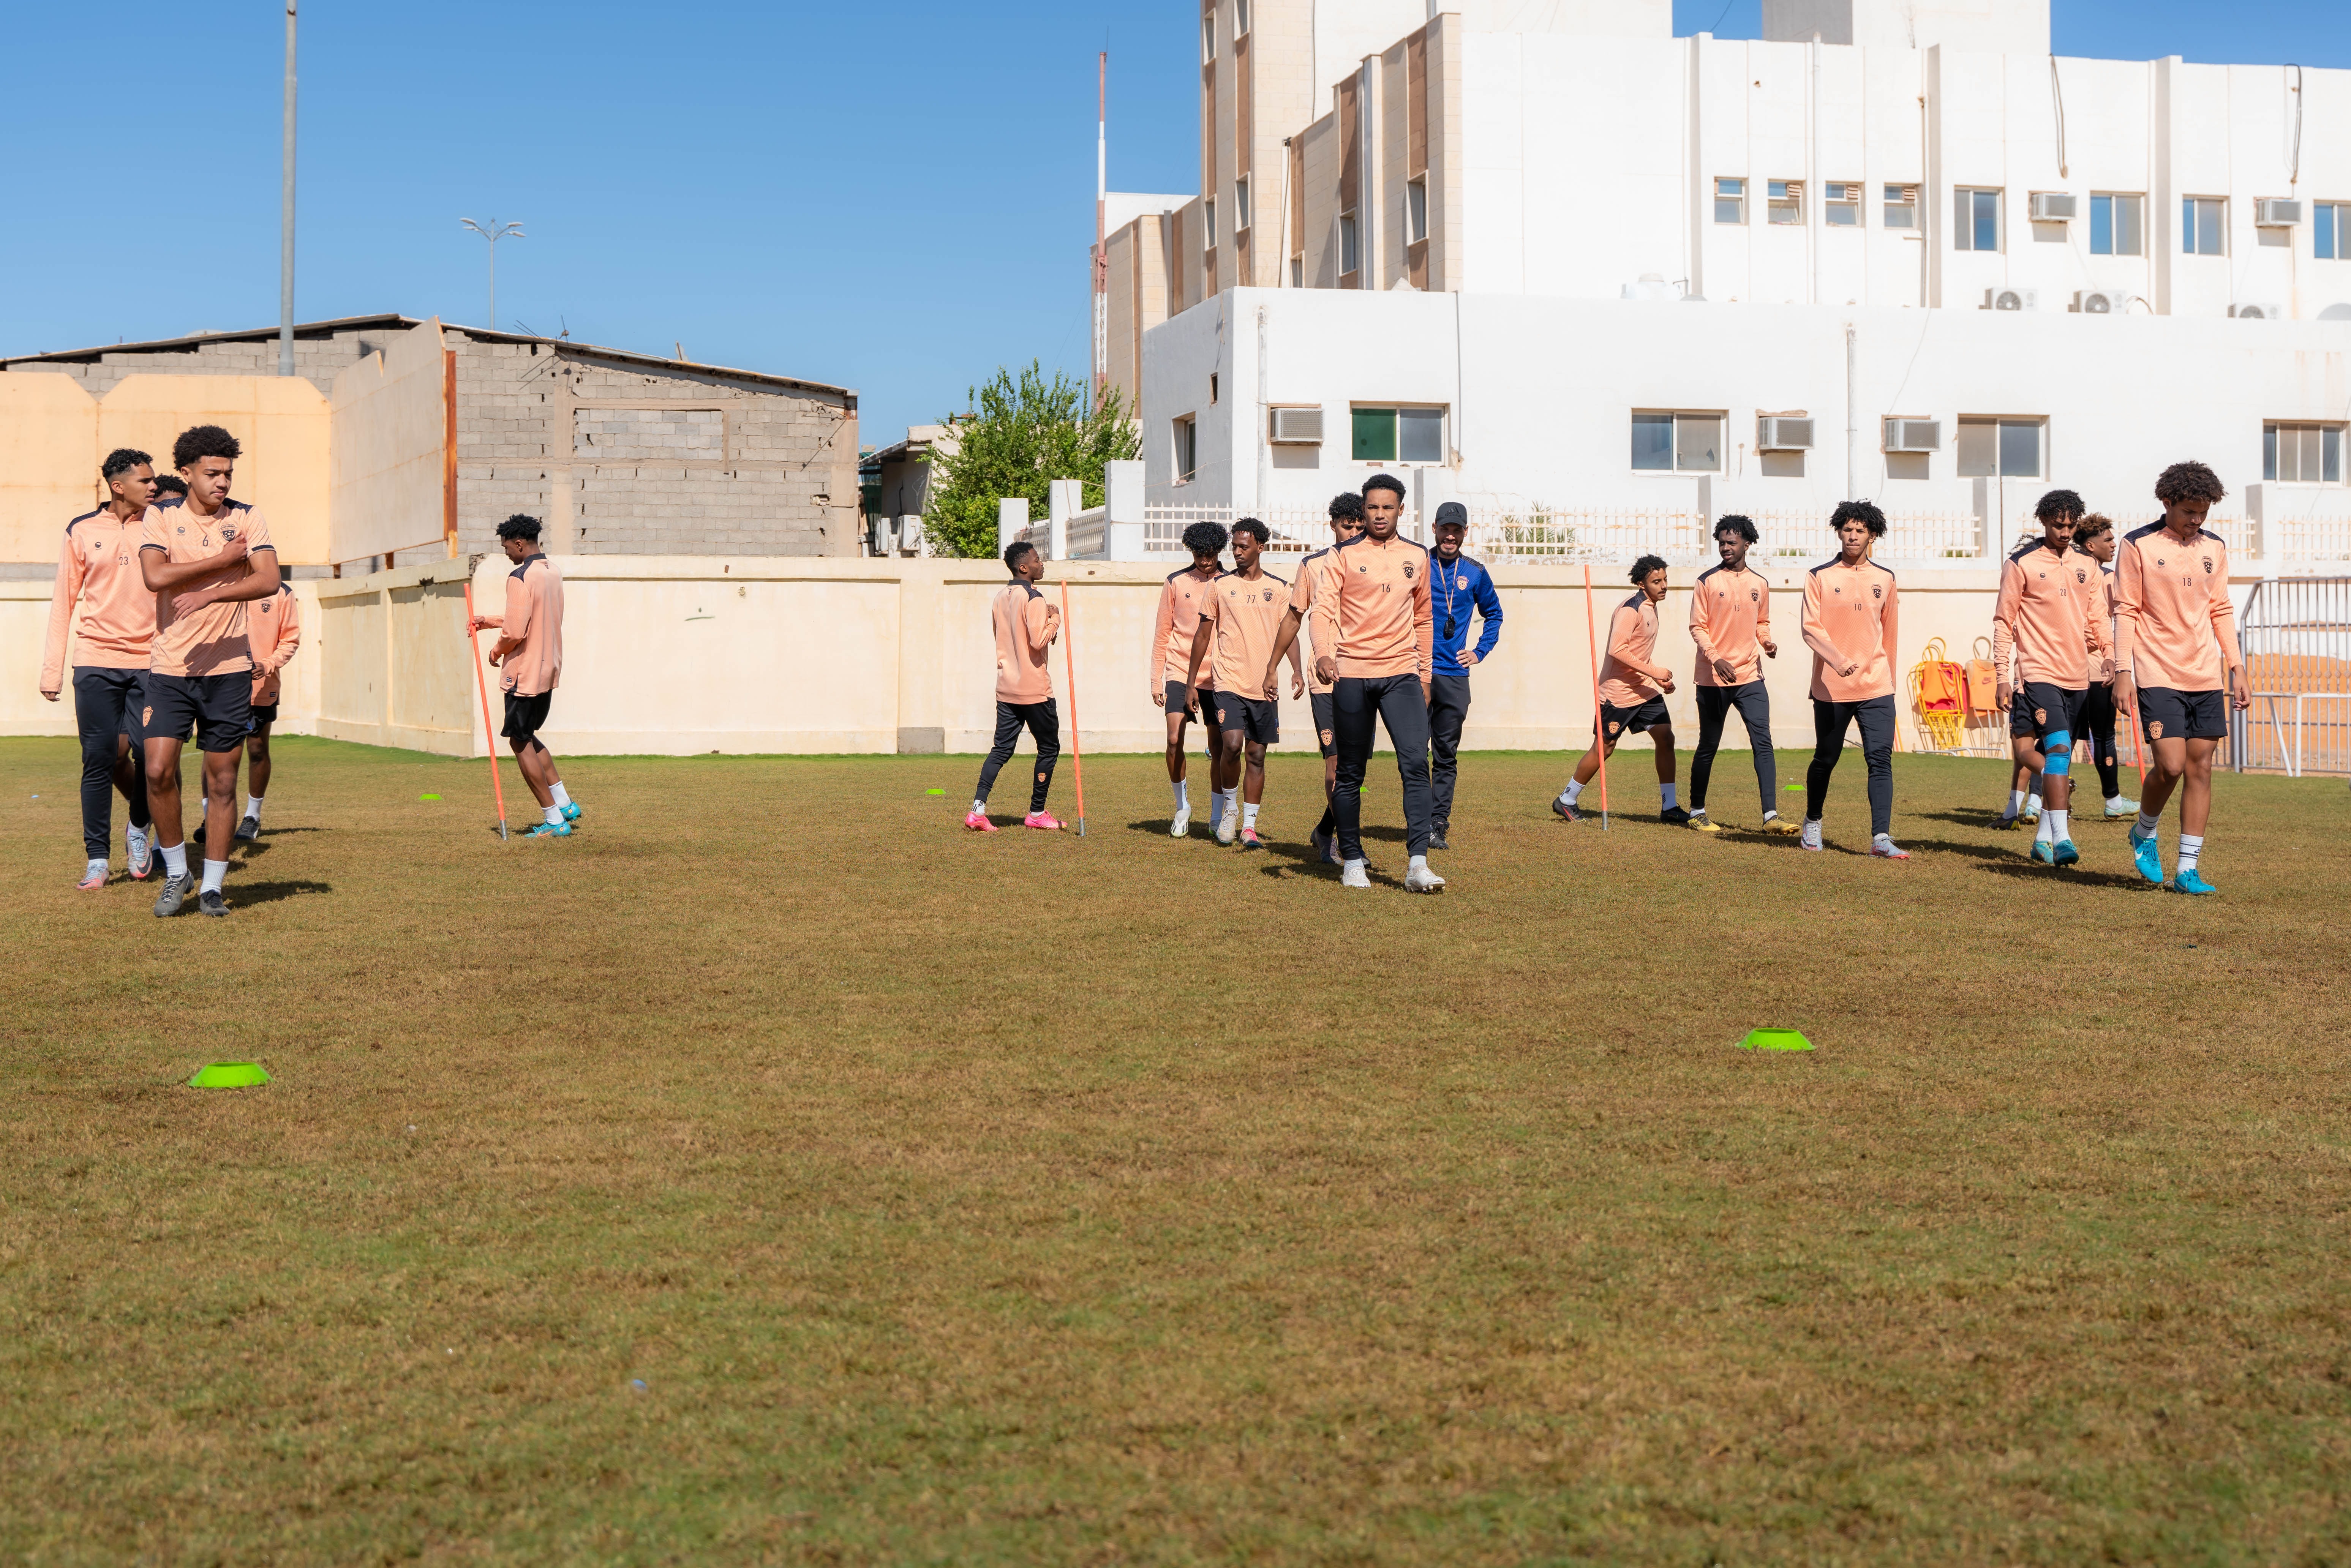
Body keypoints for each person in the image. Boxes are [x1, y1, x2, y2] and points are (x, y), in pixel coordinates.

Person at [139, 425, 281, 916]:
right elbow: (154, 576)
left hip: (229, 670)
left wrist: (215, 592)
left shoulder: (247, 516)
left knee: (222, 781)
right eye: (212, 474)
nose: (222, 482)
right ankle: (177, 872)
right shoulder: (160, 515)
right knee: (157, 770)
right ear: (187, 473)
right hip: (171, 668)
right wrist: (222, 561)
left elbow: (268, 579)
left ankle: (213, 888)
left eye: (228, 474)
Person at [2113, 461, 2249, 895]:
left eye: (2203, 512)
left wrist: (2237, 666)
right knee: (2170, 766)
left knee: (2201, 769)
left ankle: (2188, 869)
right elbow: (2126, 611)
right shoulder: (2137, 545)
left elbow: (2221, 609)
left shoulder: (2215, 547)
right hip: (2157, 671)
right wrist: (2122, 671)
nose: (2196, 520)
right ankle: (2144, 833)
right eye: (2189, 511)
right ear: (2167, 502)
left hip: (2205, 674)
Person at [1310, 472, 1442, 893]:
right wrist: (1323, 654)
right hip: (1351, 673)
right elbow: (1322, 611)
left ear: (1401, 510)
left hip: (1401, 675)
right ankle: (1351, 859)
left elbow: (1424, 618)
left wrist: (1424, 676)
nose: (1380, 514)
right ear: (1362, 510)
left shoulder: (1418, 556)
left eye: (1388, 507)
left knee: (1416, 764)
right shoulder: (1342, 555)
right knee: (1350, 772)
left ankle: (1417, 864)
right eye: (1372, 507)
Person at [41, 448, 160, 889]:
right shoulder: (82, 529)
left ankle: (137, 830)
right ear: (118, 485)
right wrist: (52, 671)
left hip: (152, 663)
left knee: (153, 759)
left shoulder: (161, 524)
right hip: (95, 662)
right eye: (145, 480)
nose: (153, 486)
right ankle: (96, 858)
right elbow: (63, 602)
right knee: (98, 760)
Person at [1990, 489, 2106, 865]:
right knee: (2055, 750)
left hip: (2077, 678)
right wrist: (2002, 676)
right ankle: (2063, 839)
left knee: (2060, 760)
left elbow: (2098, 618)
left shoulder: (2088, 565)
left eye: (2071, 526)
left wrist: (2111, 657)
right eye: (2058, 525)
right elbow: (2003, 622)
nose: (2065, 532)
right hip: (2037, 672)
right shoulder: (2020, 563)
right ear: (2043, 522)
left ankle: (2041, 840)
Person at [1798, 501, 1908, 859]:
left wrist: (1888, 680)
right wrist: (1839, 660)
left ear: (1872, 535)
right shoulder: (1820, 576)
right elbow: (1810, 629)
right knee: (1826, 758)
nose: (1853, 536)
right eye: (1847, 530)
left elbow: (1890, 635)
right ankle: (1813, 822)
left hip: (1877, 686)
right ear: (1839, 532)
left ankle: (1881, 838)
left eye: (1860, 530)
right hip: (1832, 686)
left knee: (1880, 759)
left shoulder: (1886, 578)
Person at [1261, 491, 1365, 865]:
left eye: (1358, 525)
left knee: (1356, 767)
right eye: (1346, 525)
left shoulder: (1376, 564)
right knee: (1335, 763)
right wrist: (1273, 666)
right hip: (1326, 678)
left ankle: (1325, 830)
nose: (1352, 532)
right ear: (1332, 524)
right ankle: (1345, 842)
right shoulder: (1312, 566)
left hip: (1365, 674)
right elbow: (1293, 618)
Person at [1184, 519, 1301, 850]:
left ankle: (1249, 826)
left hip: (1263, 684)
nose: (1236, 552)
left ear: (1260, 547)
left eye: (1243, 546)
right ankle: (1229, 810)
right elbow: (1204, 634)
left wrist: (1294, 670)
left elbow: (1289, 630)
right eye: (1234, 547)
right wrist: (1192, 683)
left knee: (1257, 755)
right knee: (1232, 745)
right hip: (1228, 681)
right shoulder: (1220, 587)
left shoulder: (1279, 589)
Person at [465, 515, 580, 839]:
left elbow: (516, 630)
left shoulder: (520, 576)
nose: (506, 555)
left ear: (519, 543)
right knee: (527, 733)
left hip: (525, 671)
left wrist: (496, 651)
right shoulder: (552, 572)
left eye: (507, 548)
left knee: (518, 739)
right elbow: (533, 617)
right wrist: (489, 620)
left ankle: (554, 820)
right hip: (549, 666)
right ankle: (564, 803)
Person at [1685, 515, 1794, 835]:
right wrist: (1716, 659)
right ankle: (1697, 811)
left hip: (1750, 675)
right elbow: (1697, 627)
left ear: (1747, 544)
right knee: (1709, 743)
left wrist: (1767, 642)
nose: (1725, 547)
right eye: (1721, 542)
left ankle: (1771, 816)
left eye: (1732, 542)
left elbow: (1762, 622)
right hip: (1713, 677)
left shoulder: (1760, 584)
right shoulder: (1707, 581)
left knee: (1763, 742)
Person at [1552, 554, 1681, 824]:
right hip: (1617, 693)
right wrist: (1655, 672)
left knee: (1666, 738)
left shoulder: (1652, 607)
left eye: (1665, 579)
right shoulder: (1630, 609)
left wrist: (1657, 679)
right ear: (1641, 584)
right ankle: (1566, 799)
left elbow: (1639, 654)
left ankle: (1669, 807)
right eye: (1657, 581)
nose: (1664, 585)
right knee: (1605, 748)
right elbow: (1617, 650)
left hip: (1643, 689)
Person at [965, 539, 1064, 831]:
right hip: (1034, 689)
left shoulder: (1000, 597)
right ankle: (1036, 813)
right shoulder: (1033, 597)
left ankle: (978, 810)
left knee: (1001, 749)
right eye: (1036, 559)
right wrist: (1055, 618)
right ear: (1024, 567)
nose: (1041, 562)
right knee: (1049, 747)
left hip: (1007, 687)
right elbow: (1037, 640)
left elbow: (1008, 637)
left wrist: (1046, 626)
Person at [1424, 501, 1502, 850]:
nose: (1450, 536)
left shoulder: (1475, 571)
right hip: (1416, 673)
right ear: (1435, 528)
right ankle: (1419, 816)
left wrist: (1479, 652)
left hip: (1454, 676)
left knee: (1445, 754)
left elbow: (1495, 616)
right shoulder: (1417, 565)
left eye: (1457, 530)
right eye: (1445, 529)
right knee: (1412, 753)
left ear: (1465, 533)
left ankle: (1438, 823)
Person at [1149, 521, 1228, 837]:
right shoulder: (1175, 582)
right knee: (1173, 739)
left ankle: (1217, 813)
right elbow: (1162, 634)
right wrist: (1156, 681)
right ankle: (1182, 807)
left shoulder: (1230, 582)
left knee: (1219, 747)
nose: (1205, 560)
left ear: (1219, 551)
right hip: (1180, 671)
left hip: (1220, 675)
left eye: (1210, 554)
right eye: (1199, 553)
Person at [2073, 513, 2138, 819]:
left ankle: (2046, 802)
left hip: (2082, 665)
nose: (2114, 544)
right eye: (2109, 540)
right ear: (2091, 545)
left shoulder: (2074, 570)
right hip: (2095, 666)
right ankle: (2111, 800)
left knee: (2068, 736)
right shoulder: (2103, 577)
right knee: (2101, 735)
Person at [237, 579, 302, 842]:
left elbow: (290, 640)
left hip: (262, 686)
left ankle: (252, 816)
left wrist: (268, 663)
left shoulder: (281, 592)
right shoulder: (220, 585)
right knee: (217, 752)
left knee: (257, 749)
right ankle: (212, 816)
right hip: (218, 684)